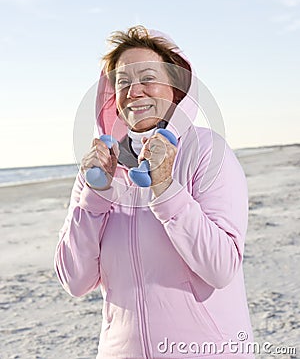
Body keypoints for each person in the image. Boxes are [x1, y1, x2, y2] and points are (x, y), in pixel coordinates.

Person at [54, 26, 255, 359]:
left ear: (175, 89)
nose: (135, 91)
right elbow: (75, 281)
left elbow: (221, 268)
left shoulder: (206, 151)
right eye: (122, 82)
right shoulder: (100, 169)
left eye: (147, 78)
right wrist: (94, 197)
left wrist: (164, 188)